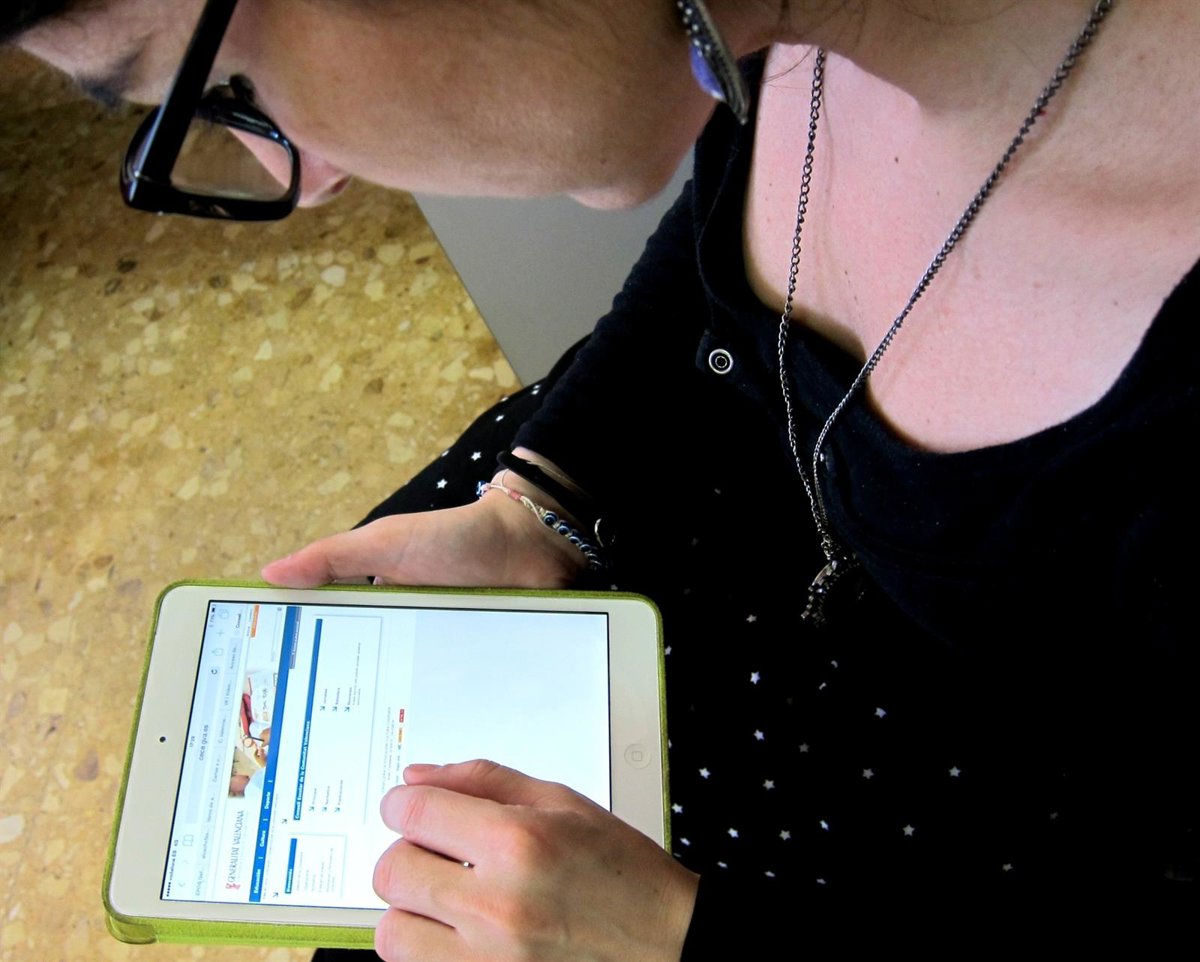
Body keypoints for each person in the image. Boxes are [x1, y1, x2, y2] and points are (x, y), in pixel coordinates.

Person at [9, 0, 1198, 955]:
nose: (308, 178)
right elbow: (735, 238)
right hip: (667, 466)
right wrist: (539, 503)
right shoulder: (756, 20)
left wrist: (680, 938)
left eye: (230, 88)